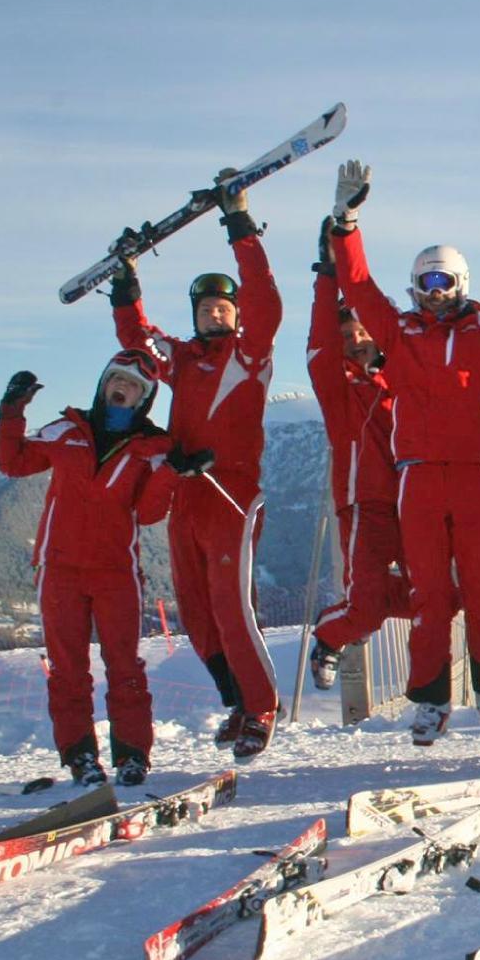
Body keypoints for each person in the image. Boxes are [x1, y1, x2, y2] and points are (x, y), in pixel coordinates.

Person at [327, 160, 480, 745]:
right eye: (426, 283)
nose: (435, 294)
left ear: (462, 285)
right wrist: (346, 223)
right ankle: (429, 701)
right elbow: (357, 286)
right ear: (414, 287)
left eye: (444, 282)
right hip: (417, 479)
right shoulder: (398, 335)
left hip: (477, 478)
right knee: (430, 596)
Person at [110, 169, 282, 757]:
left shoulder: (250, 355)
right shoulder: (181, 360)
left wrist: (238, 221)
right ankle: (236, 703)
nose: (216, 315)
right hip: (185, 494)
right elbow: (138, 338)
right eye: (207, 308)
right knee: (199, 616)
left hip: (231, 493)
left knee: (233, 609)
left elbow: (266, 297)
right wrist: (125, 281)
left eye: (223, 308)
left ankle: (261, 709)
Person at [0, 354, 176, 786]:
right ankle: (80, 757)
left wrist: (173, 472)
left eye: (132, 384)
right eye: (115, 378)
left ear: (144, 397)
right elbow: (13, 462)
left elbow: (150, 514)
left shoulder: (153, 447)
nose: (121, 386)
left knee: (125, 667)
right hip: (60, 571)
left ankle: (132, 755)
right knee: (68, 668)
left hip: (117, 573)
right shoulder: (66, 431)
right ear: (102, 383)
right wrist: (12, 412)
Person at [305, 218, 410, 690]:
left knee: (443, 596)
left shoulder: (403, 377)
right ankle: (333, 633)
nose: (356, 340)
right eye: (346, 335)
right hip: (363, 504)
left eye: (362, 330)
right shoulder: (336, 384)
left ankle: (361, 615)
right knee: (366, 605)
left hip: (415, 501)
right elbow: (320, 341)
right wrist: (328, 275)